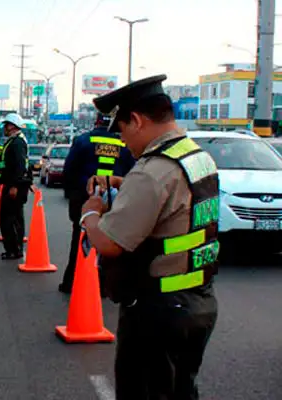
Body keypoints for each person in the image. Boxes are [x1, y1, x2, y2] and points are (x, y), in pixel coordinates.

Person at [80, 75, 219, 399]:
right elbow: (173, 202)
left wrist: (91, 214)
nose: (124, 141)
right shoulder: (197, 157)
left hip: (157, 314)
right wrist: (120, 182)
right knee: (179, 390)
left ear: (138, 121)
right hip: (197, 302)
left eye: (124, 130)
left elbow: (110, 242)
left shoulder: (151, 171)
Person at [58, 112, 135, 294]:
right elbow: (131, 173)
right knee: (109, 242)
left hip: (85, 198)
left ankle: (71, 283)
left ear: (96, 121)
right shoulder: (123, 145)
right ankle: (102, 286)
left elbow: (69, 170)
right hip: (113, 198)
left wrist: (71, 194)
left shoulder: (83, 140)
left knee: (79, 240)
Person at [0, 113, 32, 260]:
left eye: (6, 125)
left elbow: (19, 165)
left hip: (15, 186)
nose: (4, 128)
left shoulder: (17, 143)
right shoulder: (15, 141)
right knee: (14, 217)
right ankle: (14, 248)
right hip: (14, 184)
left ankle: (14, 249)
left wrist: (14, 186)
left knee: (9, 219)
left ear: (12, 126)